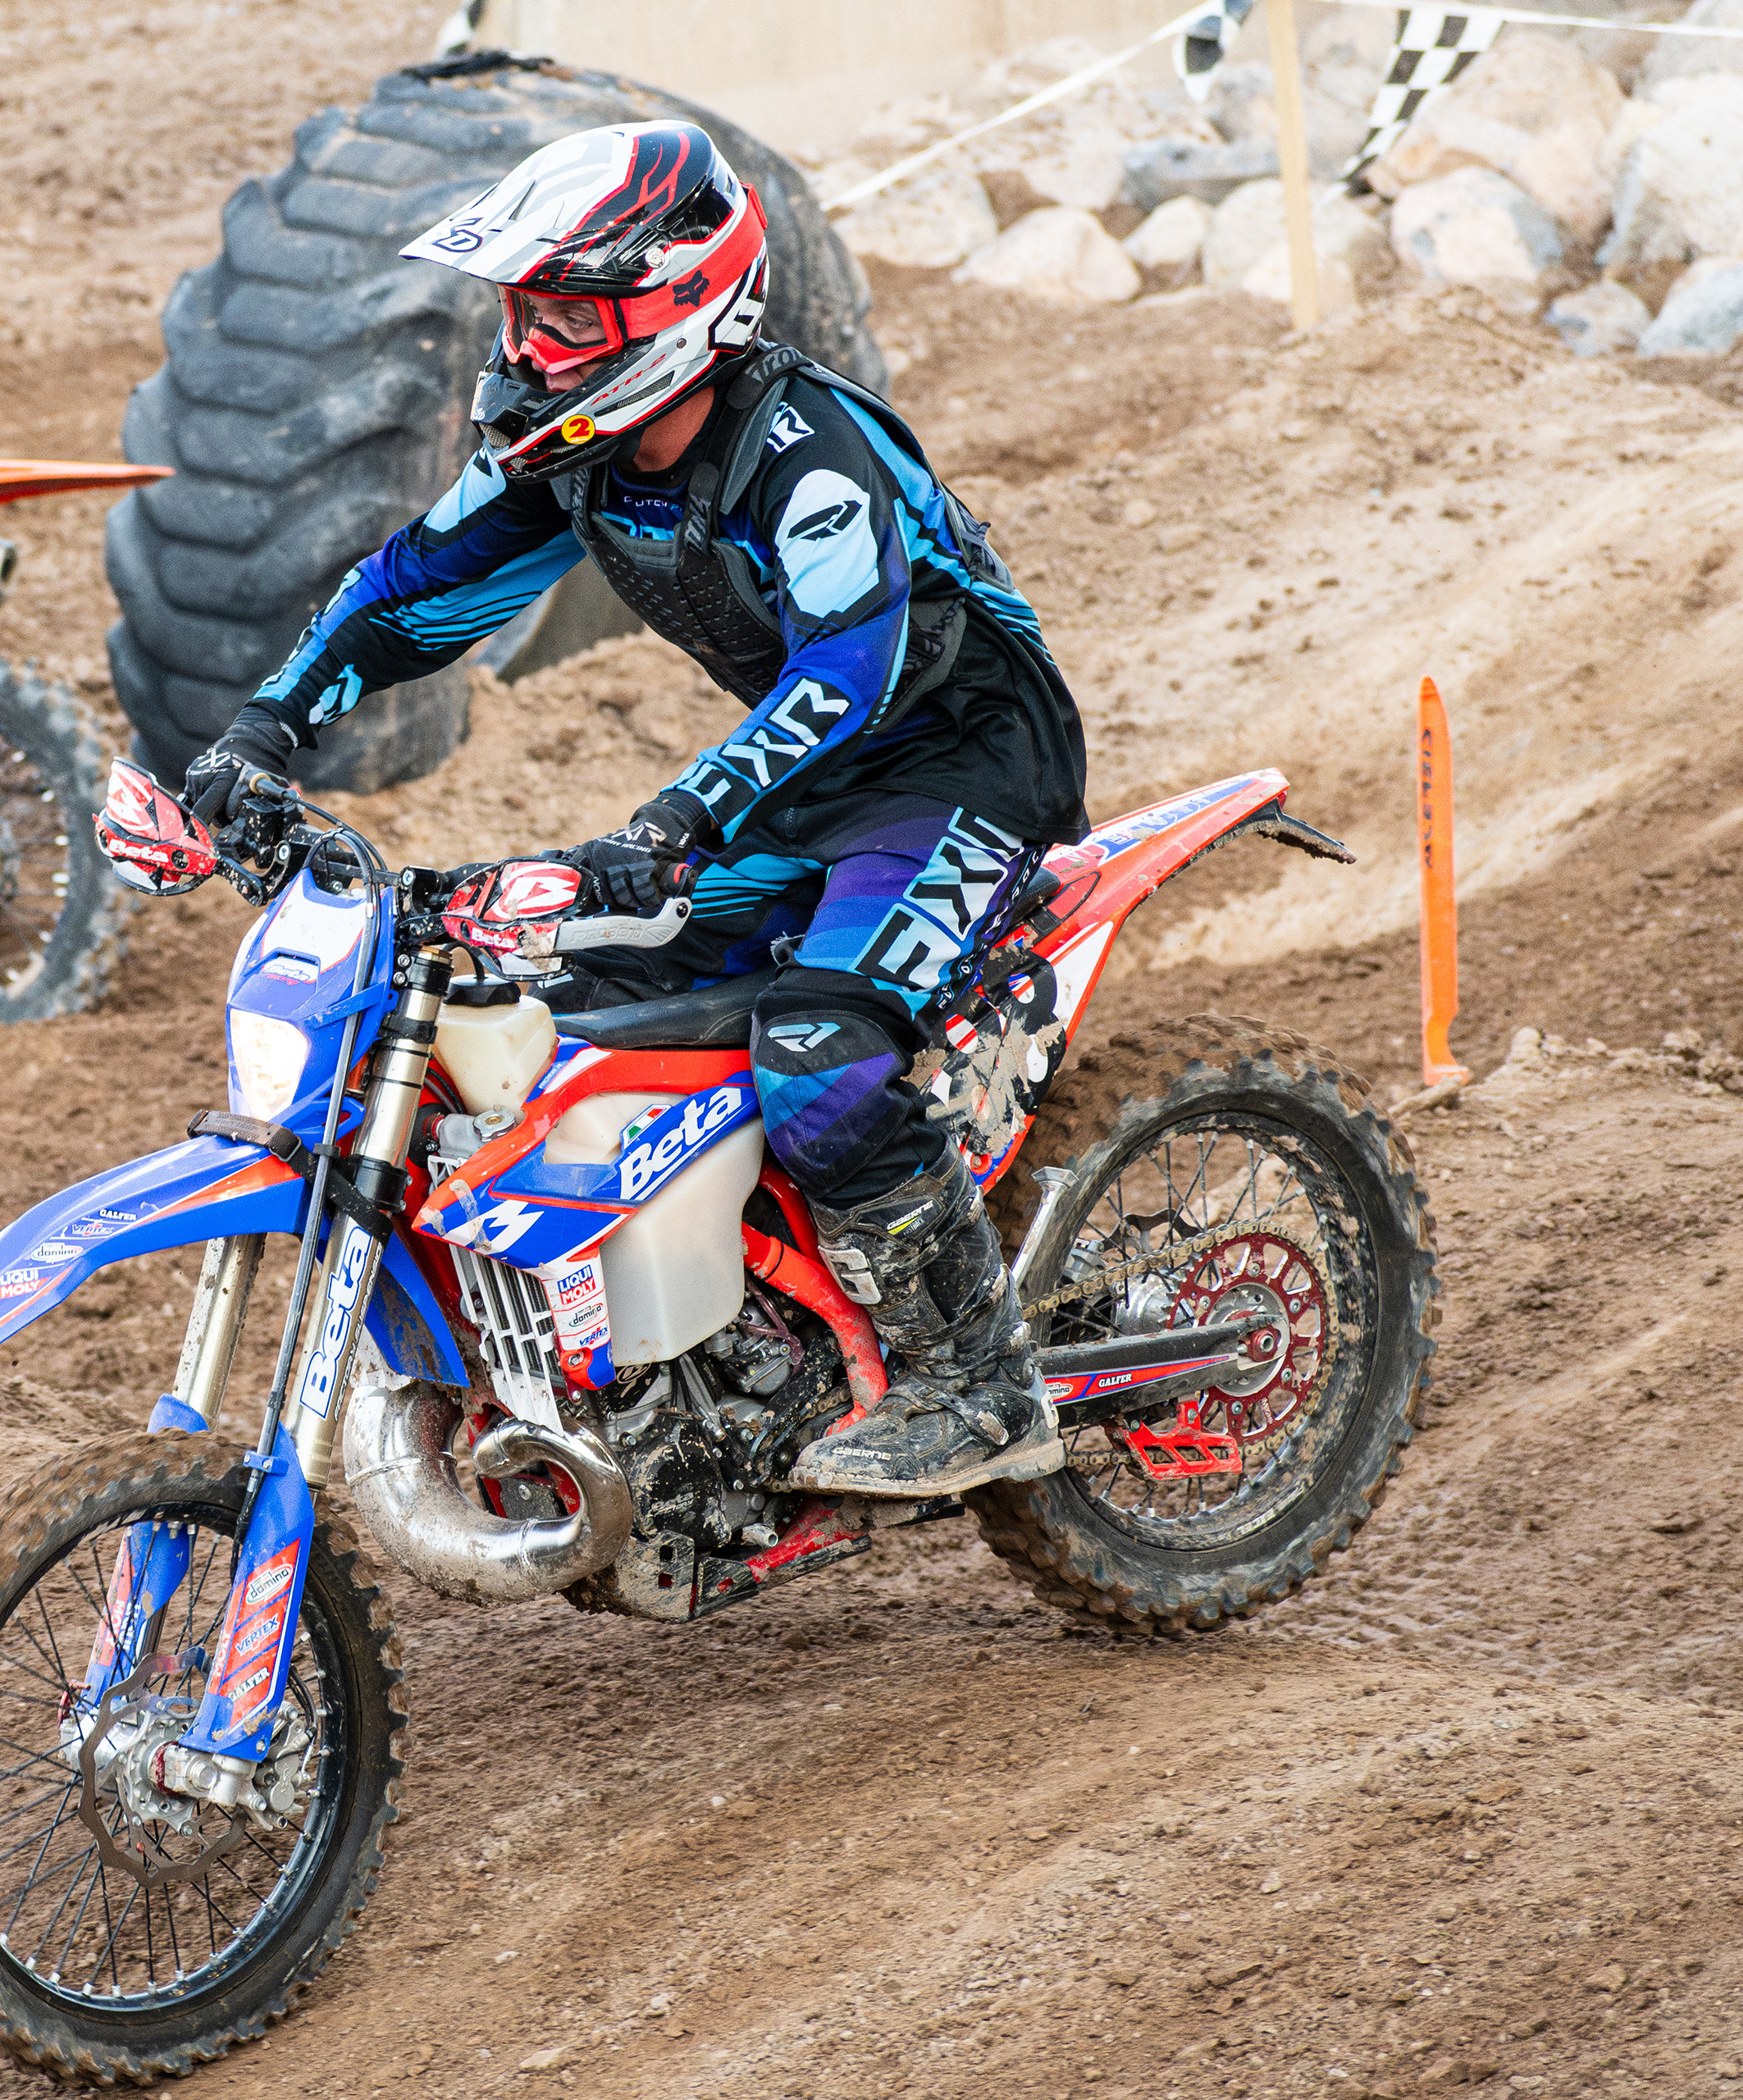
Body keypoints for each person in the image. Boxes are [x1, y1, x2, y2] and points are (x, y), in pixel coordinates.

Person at [183, 121, 1090, 1501]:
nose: (529, 346)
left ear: (673, 305)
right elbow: (405, 591)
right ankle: (710, 1366)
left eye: (564, 314)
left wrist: (671, 823)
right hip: (803, 793)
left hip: (959, 770)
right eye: (522, 311)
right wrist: (261, 733)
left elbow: (846, 672)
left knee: (817, 1054)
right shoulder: (580, 452)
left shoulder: (808, 452)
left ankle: (980, 1383)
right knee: (558, 1006)